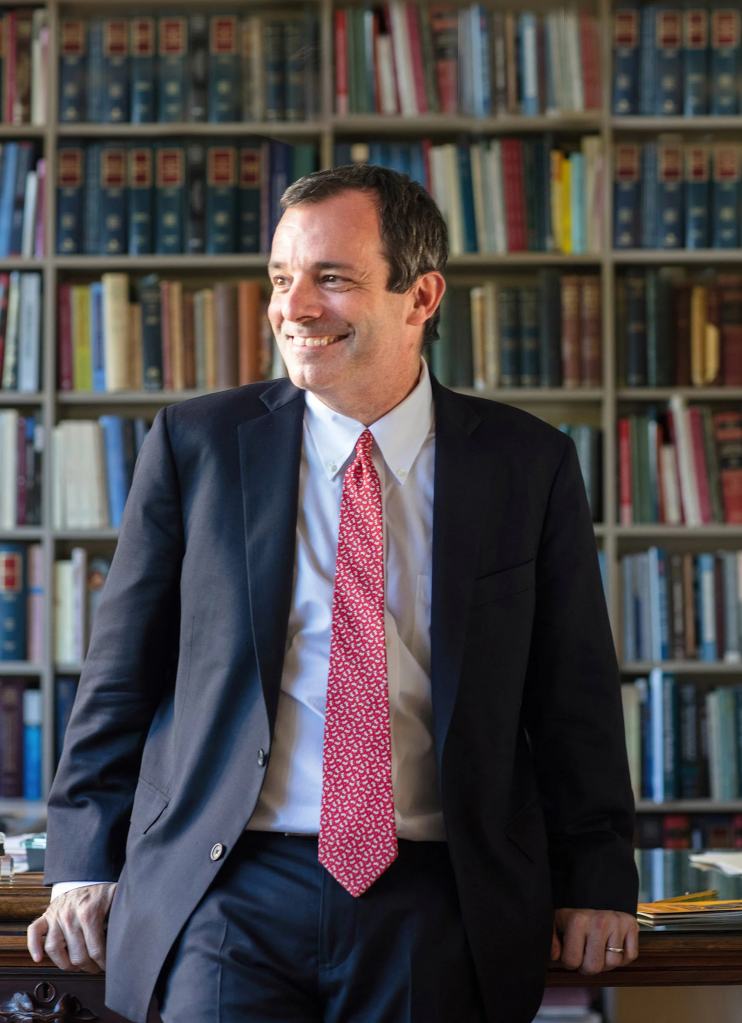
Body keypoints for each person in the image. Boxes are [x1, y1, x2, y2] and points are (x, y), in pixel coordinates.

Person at [29, 164, 638, 1023]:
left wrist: (598, 876)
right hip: (227, 881)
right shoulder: (196, 445)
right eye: (282, 278)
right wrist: (85, 859)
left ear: (421, 296)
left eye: (333, 278)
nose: (294, 307)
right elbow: (121, 673)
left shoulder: (525, 464)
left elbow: (572, 695)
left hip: (436, 892)